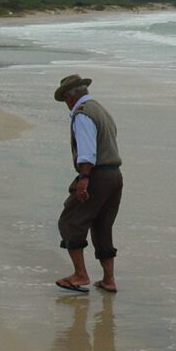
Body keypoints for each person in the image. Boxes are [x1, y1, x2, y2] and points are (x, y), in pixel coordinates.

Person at [53, 74, 123, 293]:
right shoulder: (101, 110)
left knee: (70, 222)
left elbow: (87, 150)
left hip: (97, 175)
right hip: (115, 175)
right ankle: (108, 280)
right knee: (102, 225)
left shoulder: (83, 114)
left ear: (69, 96)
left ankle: (80, 275)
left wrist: (84, 178)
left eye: (65, 99)